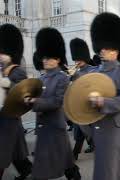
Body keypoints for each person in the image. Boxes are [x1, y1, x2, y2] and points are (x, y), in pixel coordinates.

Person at [25, 27, 81, 180]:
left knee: (53, 162)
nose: (45, 60)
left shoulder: (62, 78)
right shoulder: (41, 79)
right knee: (62, 159)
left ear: (57, 59)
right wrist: (27, 99)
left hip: (55, 127)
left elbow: (57, 102)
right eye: (44, 57)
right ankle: (73, 174)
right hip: (43, 127)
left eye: (48, 57)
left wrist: (36, 102)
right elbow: (36, 99)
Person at [89, 12, 120, 180]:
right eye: (101, 46)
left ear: (116, 51)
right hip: (99, 126)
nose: (102, 50)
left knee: (114, 169)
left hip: (115, 127)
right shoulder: (95, 71)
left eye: (106, 47)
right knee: (104, 168)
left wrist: (104, 102)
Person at [0, 23, 32, 180]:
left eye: (3, 52)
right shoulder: (2, 70)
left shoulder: (18, 72)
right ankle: (28, 171)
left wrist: (8, 84)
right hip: (4, 122)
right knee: (17, 157)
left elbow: (22, 96)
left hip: (9, 123)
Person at [69, 38, 96, 160]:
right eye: (75, 59)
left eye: (79, 59)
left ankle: (92, 144)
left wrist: (76, 75)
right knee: (80, 130)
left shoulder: (93, 69)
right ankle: (75, 153)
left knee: (85, 129)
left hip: (90, 106)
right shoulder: (76, 72)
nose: (77, 61)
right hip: (79, 106)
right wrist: (70, 76)